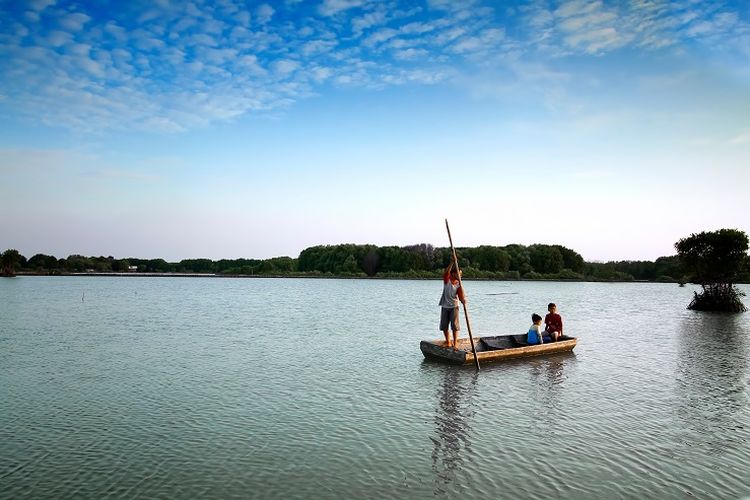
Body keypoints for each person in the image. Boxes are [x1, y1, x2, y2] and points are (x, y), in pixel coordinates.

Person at [439, 260, 465, 350]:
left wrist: (463, 300)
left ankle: (455, 343)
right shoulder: (447, 280)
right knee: (444, 325)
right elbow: (446, 272)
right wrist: (452, 263)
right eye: (458, 273)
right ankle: (448, 342)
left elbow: (461, 295)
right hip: (445, 305)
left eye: (460, 274)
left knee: (454, 325)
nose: (460, 276)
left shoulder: (458, 284)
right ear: (453, 273)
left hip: (454, 306)